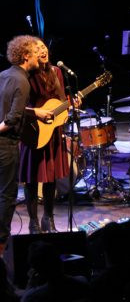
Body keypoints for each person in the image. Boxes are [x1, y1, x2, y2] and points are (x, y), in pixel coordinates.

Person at [19, 38, 78, 234]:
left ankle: (48, 219)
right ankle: (33, 222)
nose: (42, 50)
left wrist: (71, 104)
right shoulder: (26, 74)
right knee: (32, 178)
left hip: (53, 131)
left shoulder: (57, 72)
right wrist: (38, 113)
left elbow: (61, 103)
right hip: (33, 131)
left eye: (43, 47)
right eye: (37, 49)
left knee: (51, 177)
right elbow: (18, 107)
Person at [0, 36, 52, 252]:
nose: (38, 56)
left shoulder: (4, 75)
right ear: (25, 56)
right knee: (7, 195)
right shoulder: (23, 81)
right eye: (33, 51)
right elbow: (12, 119)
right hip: (6, 146)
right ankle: (2, 243)